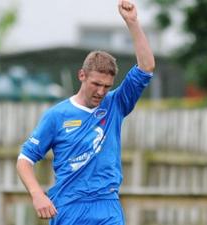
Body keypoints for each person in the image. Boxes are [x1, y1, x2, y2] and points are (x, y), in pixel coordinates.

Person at [16, 0, 155, 224]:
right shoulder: (57, 116)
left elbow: (146, 67)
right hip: (69, 207)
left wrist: (133, 23)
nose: (101, 91)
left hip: (107, 204)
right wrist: (37, 194)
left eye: (107, 86)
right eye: (96, 84)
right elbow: (24, 160)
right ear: (82, 75)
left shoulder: (115, 104)